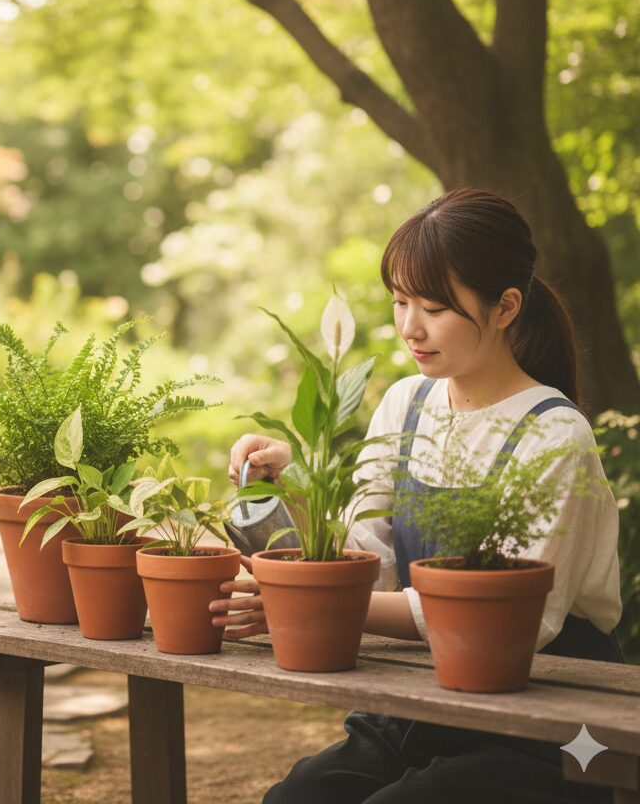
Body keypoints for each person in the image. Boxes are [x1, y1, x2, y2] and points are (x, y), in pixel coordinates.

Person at [213, 187, 624, 804]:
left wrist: (301, 607)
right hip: (423, 702)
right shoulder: (407, 404)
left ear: (506, 306)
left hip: (552, 724)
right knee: (296, 798)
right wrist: (293, 495)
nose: (409, 326)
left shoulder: (554, 435)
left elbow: (512, 622)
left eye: (433, 307)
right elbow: (367, 565)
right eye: (401, 300)